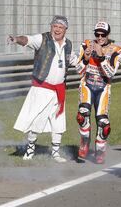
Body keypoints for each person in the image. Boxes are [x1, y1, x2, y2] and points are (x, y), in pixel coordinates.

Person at [7, 15, 76, 163]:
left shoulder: (68, 44)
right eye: (54, 26)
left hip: (59, 90)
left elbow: (73, 59)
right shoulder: (43, 39)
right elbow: (28, 40)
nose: (57, 29)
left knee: (58, 122)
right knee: (37, 121)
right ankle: (30, 149)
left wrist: (84, 64)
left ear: (65, 29)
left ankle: (56, 153)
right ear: (51, 27)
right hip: (42, 88)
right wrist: (16, 39)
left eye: (60, 27)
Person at [75, 21, 121, 164]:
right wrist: (85, 58)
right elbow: (78, 70)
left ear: (108, 34)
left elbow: (111, 74)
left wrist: (101, 56)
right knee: (82, 114)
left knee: (103, 123)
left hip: (103, 88)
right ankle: (84, 142)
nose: (100, 37)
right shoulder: (86, 45)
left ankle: (100, 150)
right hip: (87, 85)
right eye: (97, 34)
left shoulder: (117, 50)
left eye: (103, 34)